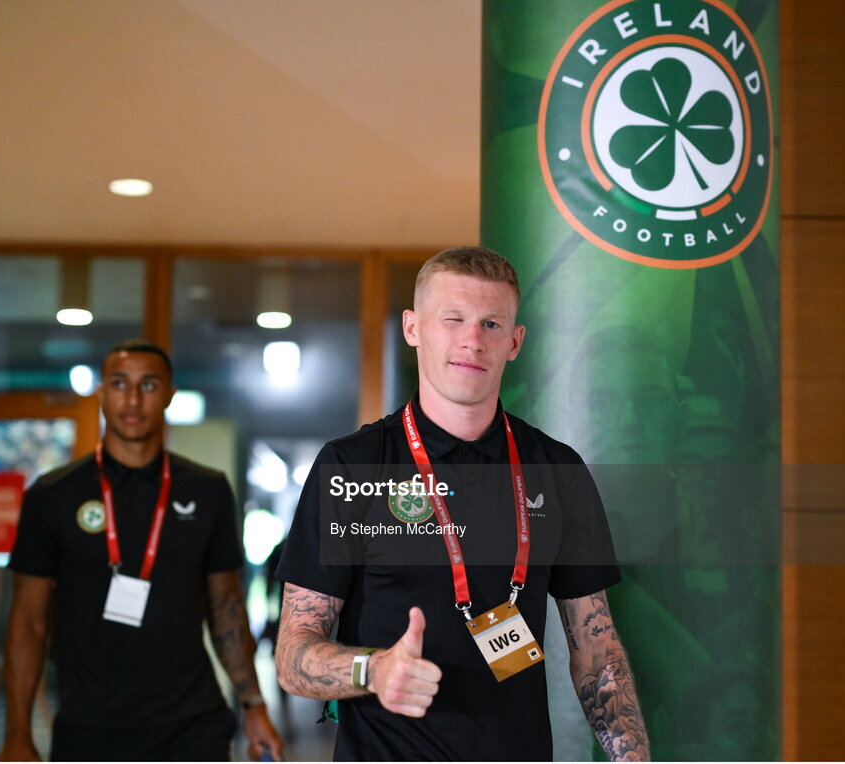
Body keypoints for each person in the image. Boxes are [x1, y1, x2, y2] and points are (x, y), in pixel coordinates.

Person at [274, 247, 650, 761]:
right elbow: (294, 652)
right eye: (453, 320)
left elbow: (598, 652)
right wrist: (375, 670)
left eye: (492, 324)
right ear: (413, 328)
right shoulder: (353, 465)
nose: (473, 340)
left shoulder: (556, 469)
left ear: (515, 342)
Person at [0, 340, 284, 762]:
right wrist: (17, 733)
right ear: (101, 392)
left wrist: (254, 705)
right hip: (89, 727)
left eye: (148, 385)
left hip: (192, 725)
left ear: (169, 394)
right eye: (119, 383)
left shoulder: (206, 490)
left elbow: (225, 604)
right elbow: (28, 622)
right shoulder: (53, 495)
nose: (132, 399)